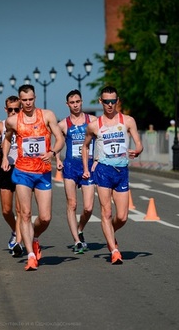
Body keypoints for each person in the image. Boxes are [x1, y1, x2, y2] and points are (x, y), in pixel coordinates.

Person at [1, 84, 64, 271]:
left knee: (45, 217)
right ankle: (30, 255)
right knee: (25, 214)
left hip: (43, 171)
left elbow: (60, 139)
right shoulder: (13, 121)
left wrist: (52, 152)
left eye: (30, 99)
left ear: (35, 98)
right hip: (22, 172)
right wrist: (5, 157)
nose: (27, 103)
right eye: (24, 100)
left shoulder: (47, 115)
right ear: (20, 100)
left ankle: (34, 238)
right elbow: (7, 138)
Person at [82, 86, 143, 265]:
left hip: (122, 170)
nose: (110, 105)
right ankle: (114, 250)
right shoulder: (94, 125)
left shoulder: (128, 121)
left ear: (117, 101)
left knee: (122, 216)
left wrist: (137, 151)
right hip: (103, 171)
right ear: (101, 102)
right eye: (106, 101)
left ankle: (109, 233)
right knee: (106, 212)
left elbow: (139, 143)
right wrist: (87, 167)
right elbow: (85, 146)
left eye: (113, 101)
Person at [56, 89, 97, 254]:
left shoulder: (92, 120)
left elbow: (100, 139)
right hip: (71, 167)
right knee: (72, 204)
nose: (75, 105)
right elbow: (58, 142)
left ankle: (80, 228)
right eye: (72, 102)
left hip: (88, 166)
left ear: (81, 102)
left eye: (78, 102)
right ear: (67, 104)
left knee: (88, 208)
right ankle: (77, 241)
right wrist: (57, 159)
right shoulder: (63, 124)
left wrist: (97, 160)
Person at [0, 95, 23, 257]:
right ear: (5, 109)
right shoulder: (0, 126)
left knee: (20, 210)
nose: (13, 112)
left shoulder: (24, 124)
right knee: (6, 210)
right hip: (5, 169)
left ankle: (20, 241)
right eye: (10, 109)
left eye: (17, 109)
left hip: (22, 168)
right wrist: (2, 144)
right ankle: (15, 231)